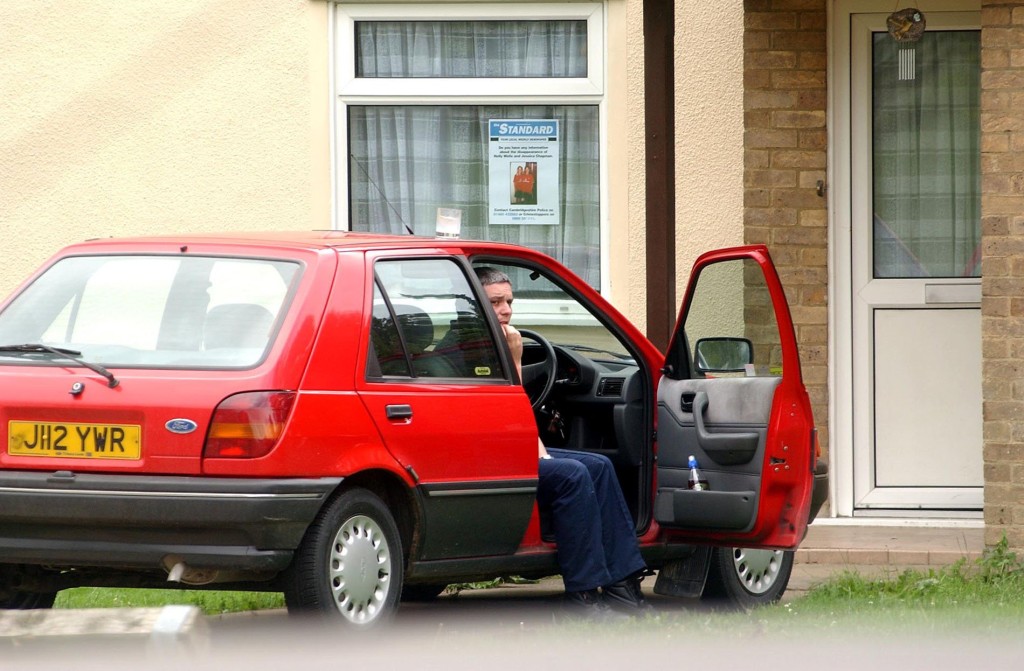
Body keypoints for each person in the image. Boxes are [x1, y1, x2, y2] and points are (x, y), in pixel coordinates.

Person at [474, 266, 650, 615]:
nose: (506, 310)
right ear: (476, 303)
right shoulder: (474, 347)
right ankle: (583, 595)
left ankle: (623, 585)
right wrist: (516, 358)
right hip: (488, 455)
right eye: (495, 302)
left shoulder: (504, 338)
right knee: (572, 475)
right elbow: (513, 413)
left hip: (513, 445)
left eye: (509, 300)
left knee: (600, 466)